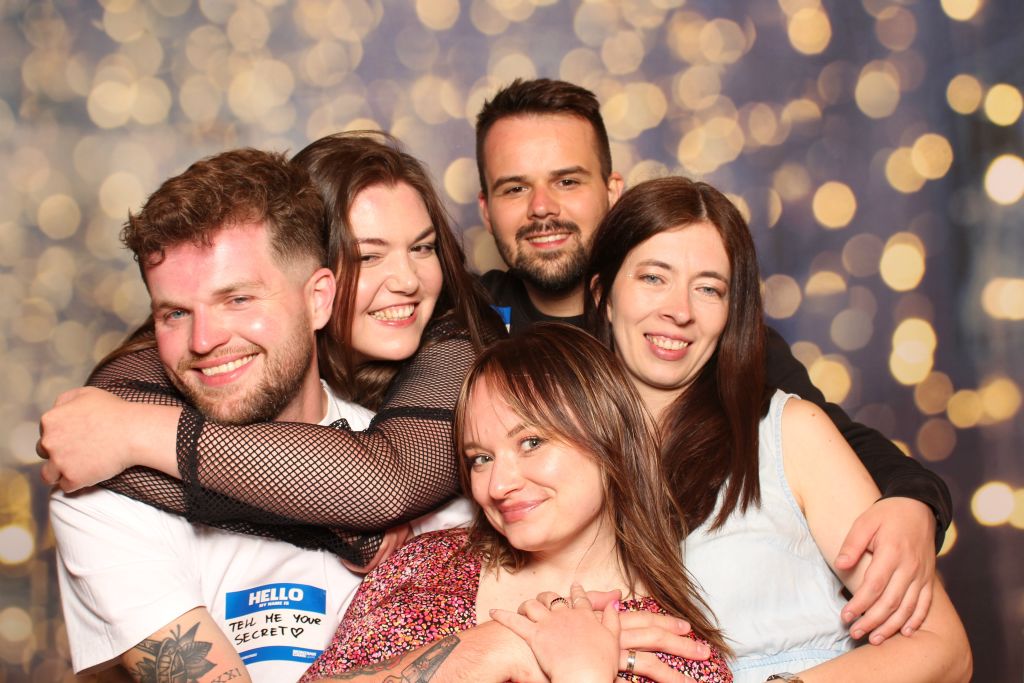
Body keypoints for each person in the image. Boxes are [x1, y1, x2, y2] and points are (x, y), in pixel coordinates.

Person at [473, 77, 952, 643]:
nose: (542, 208)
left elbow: (821, 436)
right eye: (514, 188)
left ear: (612, 190)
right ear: (486, 209)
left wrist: (915, 500)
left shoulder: (710, 338)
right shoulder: (470, 323)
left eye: (567, 181)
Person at [39, 132, 502, 567]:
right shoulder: (215, 325)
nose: (407, 281)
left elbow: (384, 485)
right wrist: (338, 525)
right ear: (309, 272)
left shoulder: (460, 334)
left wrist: (132, 435)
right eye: (368, 256)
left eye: (422, 248)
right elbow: (95, 423)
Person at [585, 177, 972, 682]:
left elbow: (943, 648)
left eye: (708, 289)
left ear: (733, 311)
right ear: (604, 295)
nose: (679, 311)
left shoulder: (788, 432)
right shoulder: (558, 453)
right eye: (654, 278)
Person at [51, 148, 378, 681]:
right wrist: (478, 654)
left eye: (238, 299)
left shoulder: (435, 470)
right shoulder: (102, 491)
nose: (203, 341)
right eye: (175, 313)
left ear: (319, 299)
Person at [299, 324, 732, 683]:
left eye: (532, 442)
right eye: (480, 458)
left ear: (611, 439)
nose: (498, 484)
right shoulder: (423, 566)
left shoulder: (672, 652)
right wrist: (490, 647)